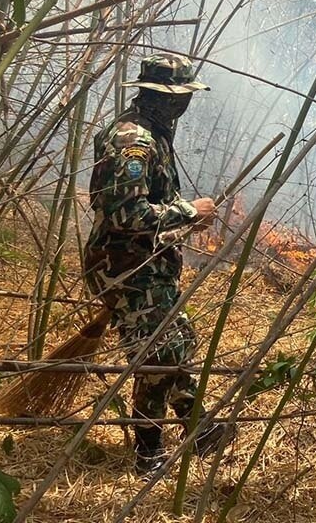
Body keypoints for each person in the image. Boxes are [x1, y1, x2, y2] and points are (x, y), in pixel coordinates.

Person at [83, 53, 231, 477]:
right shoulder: (136, 140)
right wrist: (187, 212)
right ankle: (149, 453)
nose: (185, 105)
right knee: (158, 357)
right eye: (182, 97)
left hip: (148, 263)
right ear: (167, 99)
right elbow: (123, 213)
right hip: (124, 266)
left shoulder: (149, 132)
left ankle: (197, 428)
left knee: (178, 341)